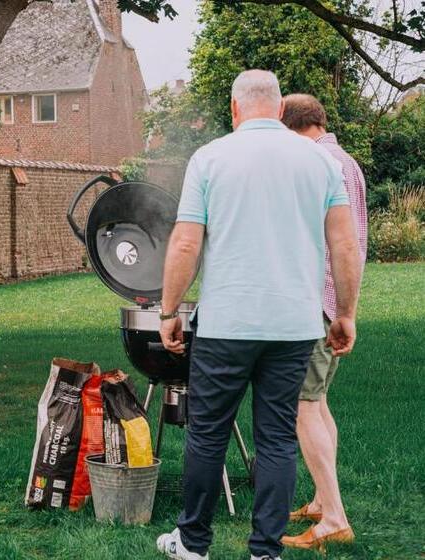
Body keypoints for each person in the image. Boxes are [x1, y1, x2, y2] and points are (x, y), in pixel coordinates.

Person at [154, 70, 362, 560]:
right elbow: (344, 243)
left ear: (234, 108)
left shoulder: (209, 158)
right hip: (295, 326)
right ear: (279, 107)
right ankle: (265, 551)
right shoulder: (320, 161)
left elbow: (185, 244)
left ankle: (193, 544)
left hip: (226, 325)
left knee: (208, 435)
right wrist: (345, 313)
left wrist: (168, 311)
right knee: (277, 439)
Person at [278, 93, 367, 550]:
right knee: (319, 401)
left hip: (316, 299)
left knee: (302, 406)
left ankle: (333, 518)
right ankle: (319, 501)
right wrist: (347, 309)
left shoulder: (317, 163)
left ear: (290, 128)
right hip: (336, 299)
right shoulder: (345, 160)